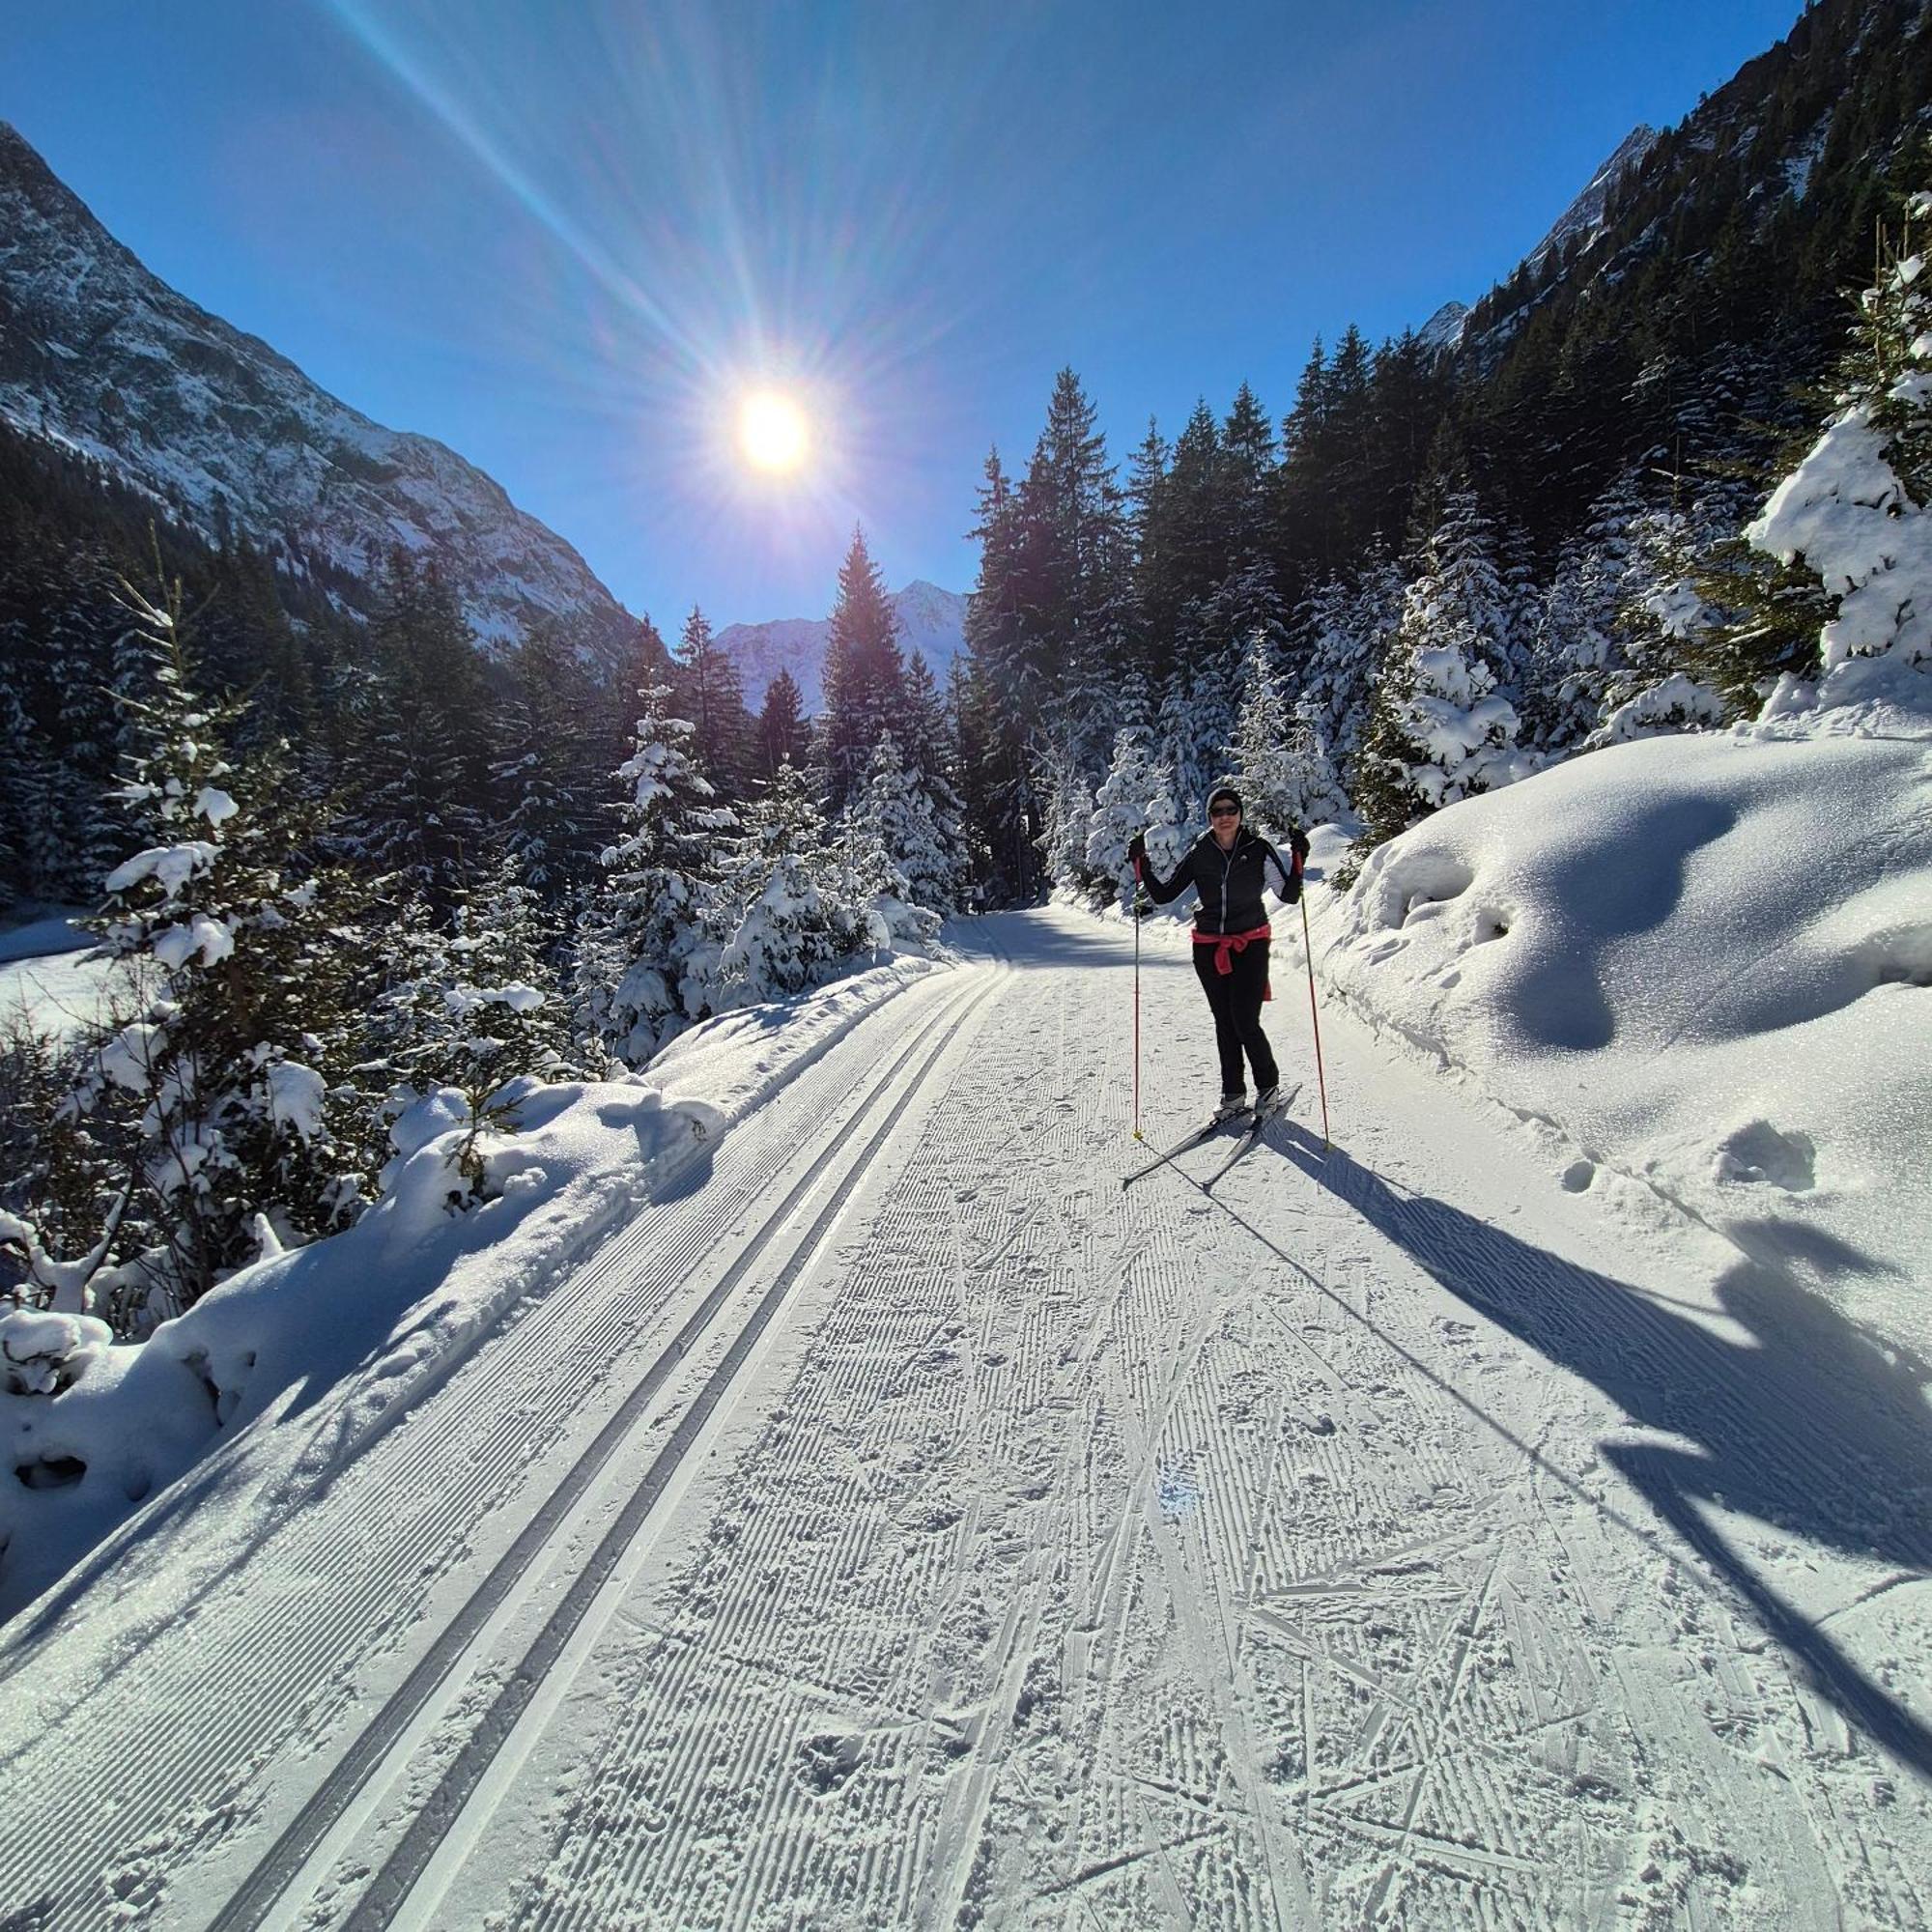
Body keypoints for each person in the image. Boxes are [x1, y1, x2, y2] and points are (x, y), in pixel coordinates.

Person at [1128, 782, 1309, 1122]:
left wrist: (1299, 860)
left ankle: (1268, 1088)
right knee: (1224, 1021)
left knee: (1244, 1019)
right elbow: (1166, 894)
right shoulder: (1201, 852)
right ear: (1209, 817)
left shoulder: (1257, 849)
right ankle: (1233, 1095)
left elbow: (1288, 895)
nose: (1225, 817)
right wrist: (1143, 865)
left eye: (1231, 810)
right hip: (1209, 946)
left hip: (1252, 942)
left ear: (1240, 814)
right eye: (1217, 811)